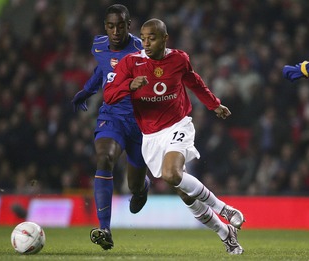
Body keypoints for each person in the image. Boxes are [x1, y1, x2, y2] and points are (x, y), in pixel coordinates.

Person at [103, 18, 245, 255]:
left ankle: (225, 209)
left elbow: (195, 83)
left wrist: (214, 104)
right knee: (183, 190)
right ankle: (225, 233)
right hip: (150, 136)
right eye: (144, 38)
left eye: (153, 38)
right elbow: (108, 95)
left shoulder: (179, 59)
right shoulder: (131, 63)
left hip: (178, 125)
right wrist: (129, 86)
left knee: (172, 174)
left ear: (165, 38)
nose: (147, 43)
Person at [71, 4, 150, 250]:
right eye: (110, 25)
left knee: (134, 185)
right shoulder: (99, 45)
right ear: (105, 26)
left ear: (129, 24)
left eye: (120, 25)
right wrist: (87, 90)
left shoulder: (142, 49)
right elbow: (103, 70)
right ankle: (104, 228)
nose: (115, 31)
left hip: (139, 122)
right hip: (111, 116)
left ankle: (141, 188)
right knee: (104, 158)